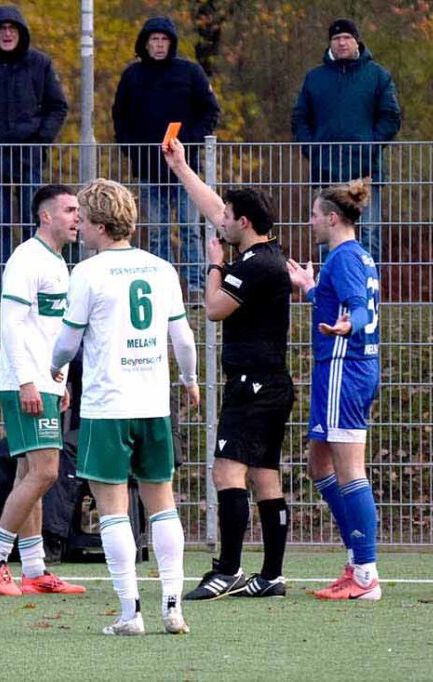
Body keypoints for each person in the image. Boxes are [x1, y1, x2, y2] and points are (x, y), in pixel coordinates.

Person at [50, 178, 201, 635]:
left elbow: (67, 342)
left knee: (113, 509)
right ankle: (173, 607)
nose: (81, 225)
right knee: (163, 504)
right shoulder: (160, 269)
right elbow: (184, 338)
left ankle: (129, 612)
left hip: (106, 407)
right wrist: (190, 381)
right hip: (153, 404)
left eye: (84, 218)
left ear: (98, 225)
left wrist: (55, 369)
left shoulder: (87, 273)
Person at [162, 138, 295, 599]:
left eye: (226, 220)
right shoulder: (263, 252)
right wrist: (181, 167)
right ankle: (272, 575)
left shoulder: (254, 266)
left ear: (244, 223)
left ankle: (229, 570)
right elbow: (216, 206)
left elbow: (215, 308)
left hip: (254, 386)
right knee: (264, 475)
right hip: (268, 384)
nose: (218, 224)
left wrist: (214, 265)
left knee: (226, 471)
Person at [0, 185, 86, 596]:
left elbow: (53, 331)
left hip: (46, 382)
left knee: (29, 473)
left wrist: (60, 380)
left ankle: (35, 569)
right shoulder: (26, 259)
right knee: (45, 472)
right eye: (70, 210)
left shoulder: (59, 263)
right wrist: (26, 381)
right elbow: (13, 325)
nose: (78, 217)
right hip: (25, 383)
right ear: (46, 216)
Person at [286, 181, 383, 601]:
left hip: (345, 369)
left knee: (348, 470)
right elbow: (342, 302)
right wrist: (310, 287)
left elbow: (357, 305)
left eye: (313, 215)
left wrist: (351, 324)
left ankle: (364, 574)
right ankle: (356, 560)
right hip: (343, 368)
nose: (309, 222)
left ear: (331, 218)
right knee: (318, 463)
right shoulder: (355, 255)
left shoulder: (344, 257)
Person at [0, 5, 69, 296]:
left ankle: (34, 286)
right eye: (2, 29)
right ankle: (2, 287)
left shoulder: (40, 64)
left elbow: (58, 107)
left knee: (34, 222)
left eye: (13, 29)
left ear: (21, 33)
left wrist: (40, 139)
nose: (7, 34)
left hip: (28, 158)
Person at [112, 16, 221, 299]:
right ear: (145, 44)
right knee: (158, 231)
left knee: (189, 228)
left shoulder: (190, 72)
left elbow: (210, 111)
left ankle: (197, 287)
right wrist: (130, 147)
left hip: (185, 168)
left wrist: (189, 141)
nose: (159, 46)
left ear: (171, 43)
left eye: (164, 40)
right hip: (148, 167)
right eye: (154, 40)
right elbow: (119, 117)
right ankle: (162, 289)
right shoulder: (131, 76)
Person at [291, 18, 401, 264]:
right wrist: (314, 149)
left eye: (347, 38)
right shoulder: (314, 78)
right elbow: (299, 118)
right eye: (336, 39)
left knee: (369, 233)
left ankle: (369, 293)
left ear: (357, 41)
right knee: (326, 234)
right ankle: (329, 293)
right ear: (330, 43)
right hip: (326, 171)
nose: (342, 43)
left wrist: (370, 146)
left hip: (365, 173)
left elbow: (391, 117)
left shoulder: (377, 76)